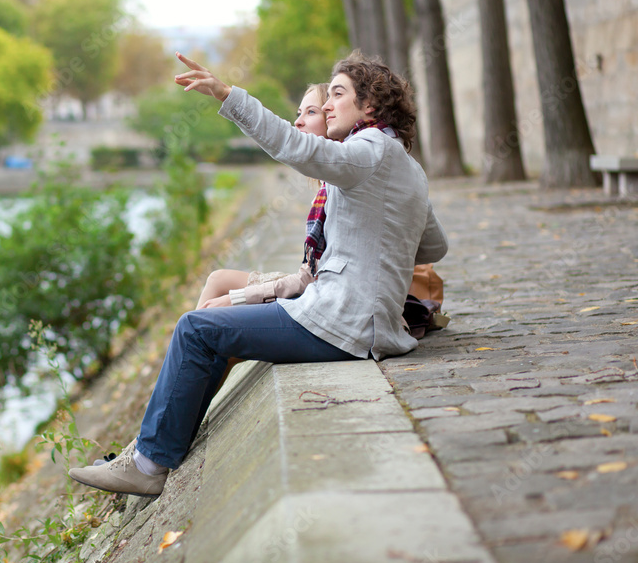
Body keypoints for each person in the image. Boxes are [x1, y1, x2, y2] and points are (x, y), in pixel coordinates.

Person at [69, 50, 448, 497]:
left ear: (370, 107)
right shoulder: (407, 165)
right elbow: (434, 246)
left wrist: (229, 95)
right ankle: (151, 449)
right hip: (357, 320)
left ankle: (148, 464)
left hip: (343, 322)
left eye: (338, 95)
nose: (327, 106)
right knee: (209, 332)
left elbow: (295, 146)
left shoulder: (368, 150)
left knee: (196, 328)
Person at [195, 83, 328, 310]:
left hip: (320, 297)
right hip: (312, 283)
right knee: (217, 279)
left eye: (311, 112)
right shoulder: (326, 182)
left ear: (332, 118)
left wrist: (238, 297)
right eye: (299, 113)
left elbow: (309, 280)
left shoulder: (340, 182)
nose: (298, 121)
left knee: (212, 308)